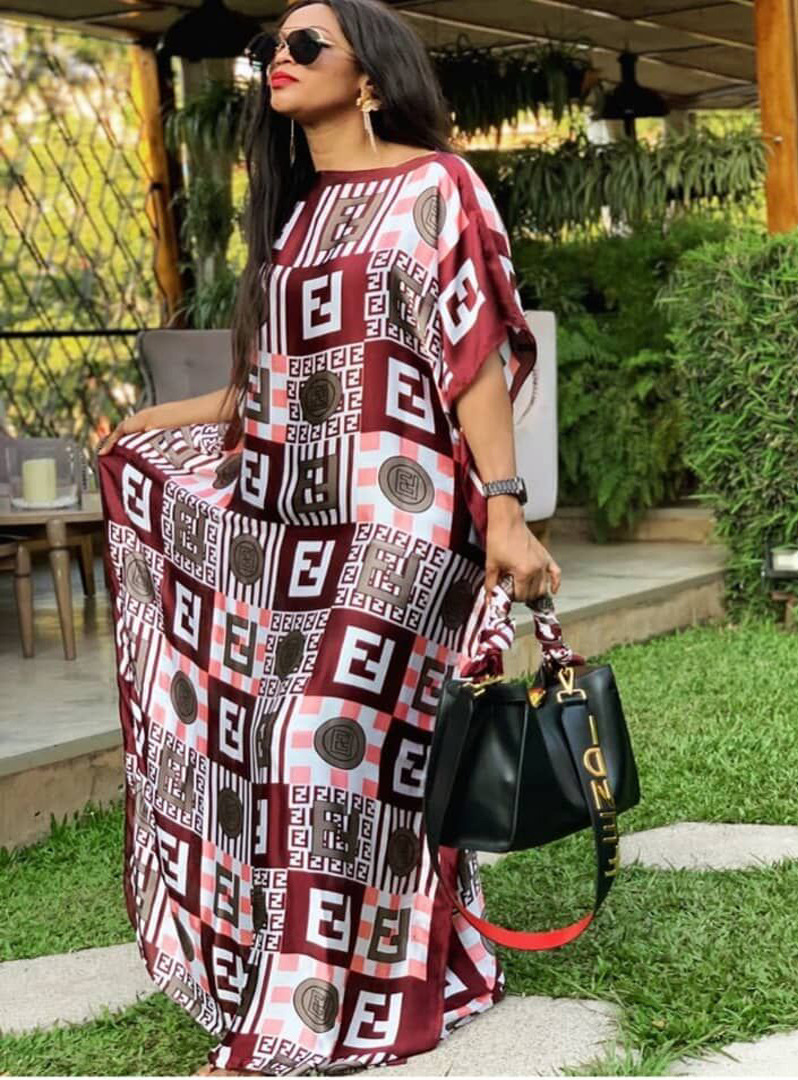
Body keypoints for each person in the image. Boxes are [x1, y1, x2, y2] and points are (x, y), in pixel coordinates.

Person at [96, 0, 560, 1073]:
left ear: (372, 76)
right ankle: (411, 968)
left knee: (321, 743)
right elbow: (274, 385)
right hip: (293, 528)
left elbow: (472, 358)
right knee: (299, 752)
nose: (280, 59)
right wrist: (156, 424)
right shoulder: (299, 218)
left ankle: (307, 1017)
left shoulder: (438, 184)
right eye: (273, 47)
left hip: (404, 519)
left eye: (308, 46)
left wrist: (503, 506)